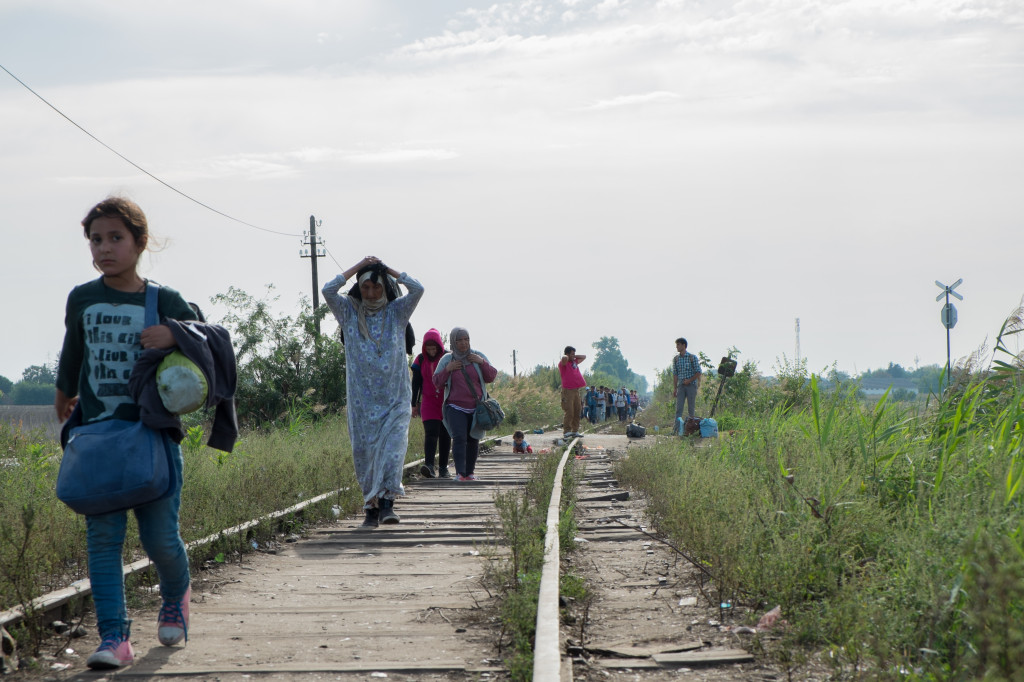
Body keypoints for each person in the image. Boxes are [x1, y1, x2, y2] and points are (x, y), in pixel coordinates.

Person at [54, 197, 197, 670]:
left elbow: (209, 347)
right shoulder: (83, 297)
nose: (104, 248)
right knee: (103, 540)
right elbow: (73, 351)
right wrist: (63, 393)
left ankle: (176, 595)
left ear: (139, 242)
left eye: (116, 237)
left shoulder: (164, 301)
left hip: (152, 438)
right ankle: (115, 638)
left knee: (160, 540)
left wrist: (175, 336)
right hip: (98, 438)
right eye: (96, 239)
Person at [323, 256, 423, 529]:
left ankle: (388, 505)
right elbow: (327, 290)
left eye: (376, 288)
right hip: (362, 403)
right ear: (359, 289)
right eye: (365, 287)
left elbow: (418, 288)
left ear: (385, 289)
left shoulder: (397, 313)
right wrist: (358, 266)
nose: (370, 293)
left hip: (395, 400)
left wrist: (385, 269)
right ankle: (370, 509)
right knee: (365, 456)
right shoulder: (348, 313)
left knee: (392, 452)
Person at [434, 327, 498, 481]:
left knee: (473, 438)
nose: (463, 343)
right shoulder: (447, 360)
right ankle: (460, 474)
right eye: (459, 340)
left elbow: (491, 376)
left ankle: (470, 473)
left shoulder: (477, 356)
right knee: (459, 437)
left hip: (477, 408)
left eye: (466, 339)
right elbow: (436, 382)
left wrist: (481, 362)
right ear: (453, 342)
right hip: (454, 407)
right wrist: (448, 369)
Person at [411, 329, 451, 478]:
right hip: (428, 402)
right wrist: (413, 404)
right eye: (428, 349)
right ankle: (429, 466)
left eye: (434, 348)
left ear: (439, 346)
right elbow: (415, 384)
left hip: (446, 401)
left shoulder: (448, 357)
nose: (431, 351)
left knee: (445, 434)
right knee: (431, 433)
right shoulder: (420, 360)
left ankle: (443, 468)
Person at [558, 346, 587, 438]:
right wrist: (568, 356)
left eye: (574, 354)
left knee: (577, 410)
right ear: (567, 354)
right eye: (572, 354)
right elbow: (564, 358)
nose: (574, 356)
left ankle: (575, 430)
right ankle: (567, 431)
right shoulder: (563, 363)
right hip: (567, 391)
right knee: (569, 411)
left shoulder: (574, 362)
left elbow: (584, 356)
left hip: (576, 390)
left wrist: (573, 356)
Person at [673, 337, 702, 421]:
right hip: (681, 386)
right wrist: (675, 388)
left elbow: (698, 372)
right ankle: (677, 429)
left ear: (684, 345)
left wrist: (689, 380)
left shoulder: (692, 357)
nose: (677, 347)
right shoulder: (676, 359)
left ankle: (690, 429)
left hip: (691, 385)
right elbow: (675, 374)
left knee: (691, 409)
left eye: (678, 345)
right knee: (679, 408)